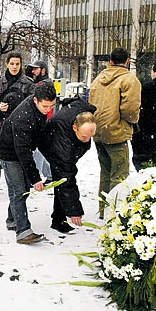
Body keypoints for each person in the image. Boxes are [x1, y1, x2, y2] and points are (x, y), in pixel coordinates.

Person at [0, 83, 57, 244]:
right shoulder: (24, 117)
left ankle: (12, 219)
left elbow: (40, 137)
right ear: (36, 100)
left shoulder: (39, 107)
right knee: (18, 191)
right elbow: (23, 151)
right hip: (9, 154)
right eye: (45, 106)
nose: (48, 110)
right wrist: (35, 178)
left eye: (52, 106)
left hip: (20, 150)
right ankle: (23, 231)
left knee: (23, 190)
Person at [89, 47, 141, 217]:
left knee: (105, 172)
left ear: (110, 61)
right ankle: (115, 212)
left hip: (99, 131)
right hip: (117, 132)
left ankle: (103, 210)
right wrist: (132, 121)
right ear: (127, 61)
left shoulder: (98, 79)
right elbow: (130, 109)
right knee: (119, 175)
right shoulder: (129, 80)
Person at [0, 52, 35, 206]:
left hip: (21, 127)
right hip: (1, 124)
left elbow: (34, 102)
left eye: (17, 64)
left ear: (21, 64)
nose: (14, 67)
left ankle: (19, 187)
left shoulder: (28, 84)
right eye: (12, 63)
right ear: (7, 64)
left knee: (20, 156)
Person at [40, 98, 97, 233]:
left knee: (63, 178)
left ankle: (59, 218)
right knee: (62, 179)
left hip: (68, 145)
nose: (87, 140)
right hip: (49, 144)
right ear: (74, 128)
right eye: (84, 137)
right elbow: (67, 176)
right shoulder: (62, 142)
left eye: (90, 136)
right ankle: (58, 220)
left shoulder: (86, 115)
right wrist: (74, 209)